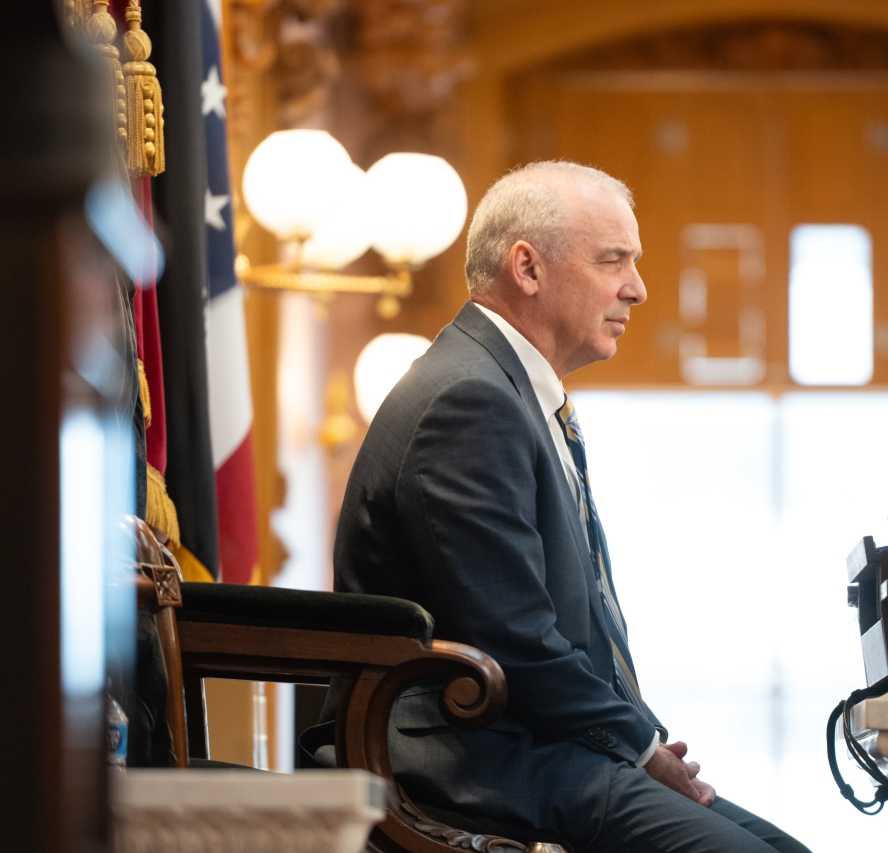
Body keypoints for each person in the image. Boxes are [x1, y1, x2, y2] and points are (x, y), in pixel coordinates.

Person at [333, 161, 811, 853]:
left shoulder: (509, 390)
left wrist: (636, 734)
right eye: (613, 259)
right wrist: (641, 747)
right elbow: (516, 640)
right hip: (468, 750)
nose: (637, 288)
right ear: (527, 267)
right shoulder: (469, 400)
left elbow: (569, 629)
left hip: (534, 737)